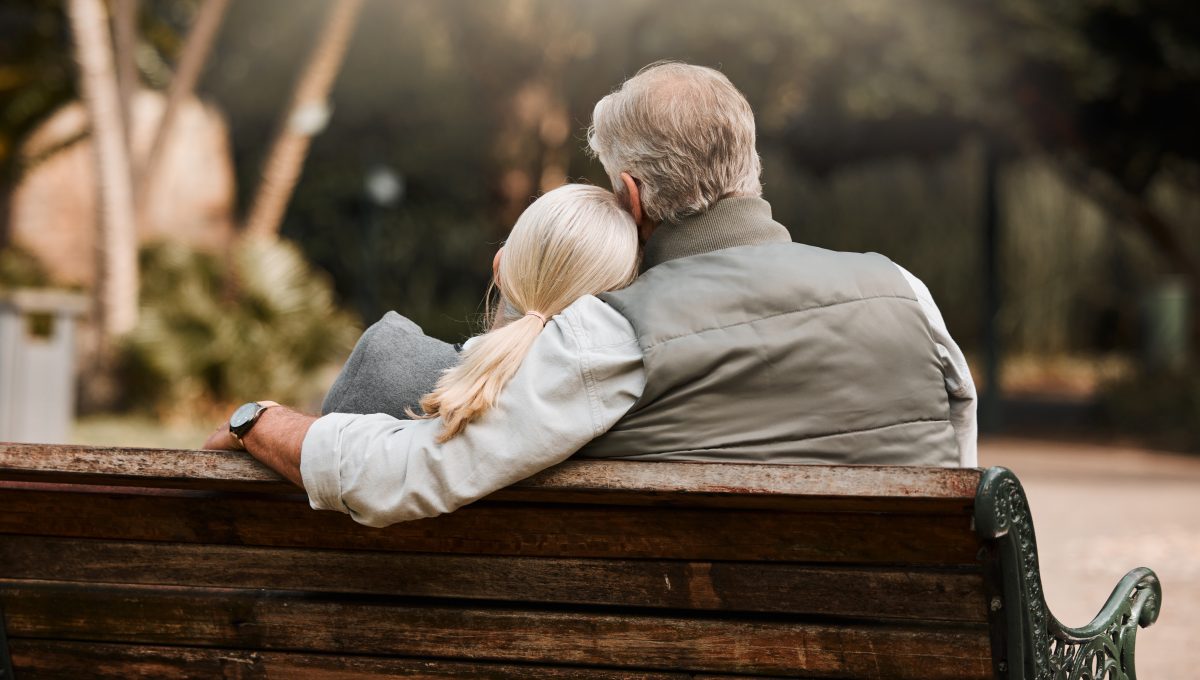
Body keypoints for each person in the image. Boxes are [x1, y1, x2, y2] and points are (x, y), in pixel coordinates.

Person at [204, 61, 977, 528]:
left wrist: (258, 420)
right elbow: (958, 464)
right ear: (749, 164)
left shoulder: (613, 334)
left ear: (633, 197)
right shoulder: (906, 291)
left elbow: (407, 473)